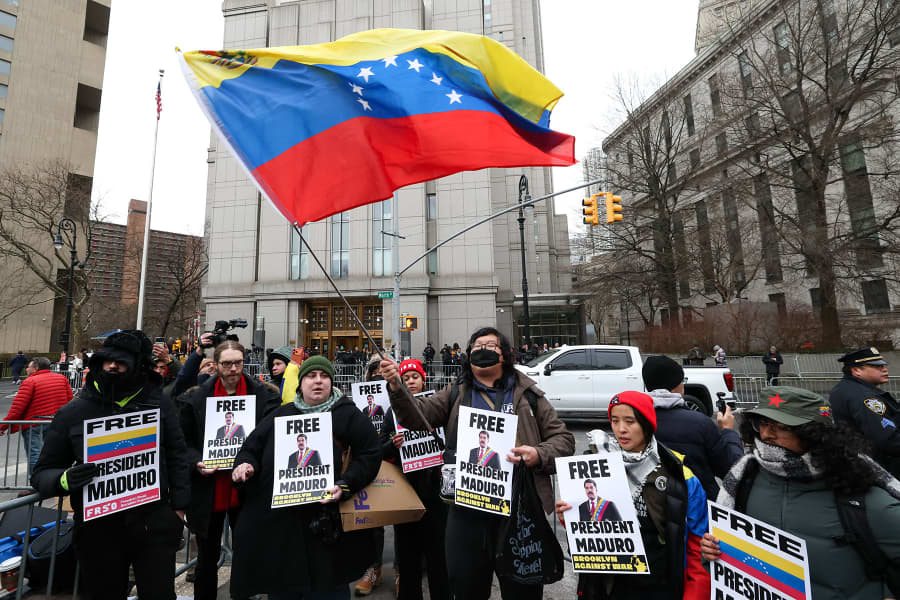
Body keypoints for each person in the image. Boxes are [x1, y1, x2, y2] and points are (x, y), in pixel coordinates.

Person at [381, 326, 575, 600]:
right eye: (477, 346)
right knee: (466, 587)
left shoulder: (530, 396)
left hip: (518, 513)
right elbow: (417, 416)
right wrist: (396, 387)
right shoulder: (454, 392)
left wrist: (538, 453)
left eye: (490, 345)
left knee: (522, 591)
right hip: (466, 512)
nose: (483, 349)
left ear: (505, 354)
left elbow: (564, 441)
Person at [31, 329, 191, 599]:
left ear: (138, 366)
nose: (113, 366)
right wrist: (65, 479)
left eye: (122, 361)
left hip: (153, 526)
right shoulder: (73, 412)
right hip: (98, 532)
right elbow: (42, 473)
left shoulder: (159, 404)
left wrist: (178, 511)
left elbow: (177, 455)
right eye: (108, 361)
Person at [700, 386, 900, 598]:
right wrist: (713, 551)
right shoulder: (744, 480)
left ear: (813, 433)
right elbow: (730, 562)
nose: (766, 434)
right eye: (763, 424)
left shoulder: (861, 494)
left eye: (780, 427)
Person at [229, 355, 381, 599]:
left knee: (328, 589)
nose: (318, 381)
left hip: (327, 528)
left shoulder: (348, 415)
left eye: (324, 376)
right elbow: (251, 448)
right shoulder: (281, 415)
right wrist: (245, 464)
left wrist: (346, 484)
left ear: (332, 383)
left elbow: (371, 454)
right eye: (311, 376)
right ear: (300, 383)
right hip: (284, 532)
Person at [556, 391, 710, 600]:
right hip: (607, 587)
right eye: (615, 420)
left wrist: (694, 594)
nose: (621, 429)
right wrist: (570, 518)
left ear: (646, 424)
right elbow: (586, 533)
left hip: (658, 587)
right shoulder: (594, 466)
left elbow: (696, 545)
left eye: (630, 421)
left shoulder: (679, 475)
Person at [176, 339, 281, 600]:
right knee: (207, 556)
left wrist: (252, 463)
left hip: (247, 489)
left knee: (248, 554)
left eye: (238, 363)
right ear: (217, 364)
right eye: (227, 363)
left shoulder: (265, 396)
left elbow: (272, 439)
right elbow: (183, 441)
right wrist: (196, 462)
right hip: (208, 489)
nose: (233, 368)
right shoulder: (195, 398)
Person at [381, 358, 449, 600]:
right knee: (408, 557)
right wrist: (392, 444)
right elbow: (379, 450)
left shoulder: (438, 408)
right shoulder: (392, 412)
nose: (410, 382)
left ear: (423, 380)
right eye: (406, 378)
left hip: (437, 496)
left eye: (415, 377)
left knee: (438, 557)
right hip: (405, 494)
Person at [642, 355, 743, 500]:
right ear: (676, 384)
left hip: (653, 505)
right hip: (699, 505)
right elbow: (732, 470)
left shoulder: (636, 422)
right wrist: (728, 431)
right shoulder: (700, 423)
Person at [830, 347, 900, 478]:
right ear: (856, 370)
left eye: (883, 366)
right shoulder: (864, 397)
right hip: (881, 466)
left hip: (861, 463)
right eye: (877, 367)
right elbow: (886, 439)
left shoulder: (846, 388)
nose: (884, 369)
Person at [0, 357, 73, 476]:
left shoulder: (30, 381)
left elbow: (17, 408)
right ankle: (50, 481)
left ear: (35, 368)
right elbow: (70, 401)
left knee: (35, 454)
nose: (26, 369)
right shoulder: (62, 378)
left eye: (28, 367)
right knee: (51, 454)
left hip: (34, 424)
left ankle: (36, 484)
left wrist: (3, 426)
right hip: (56, 423)